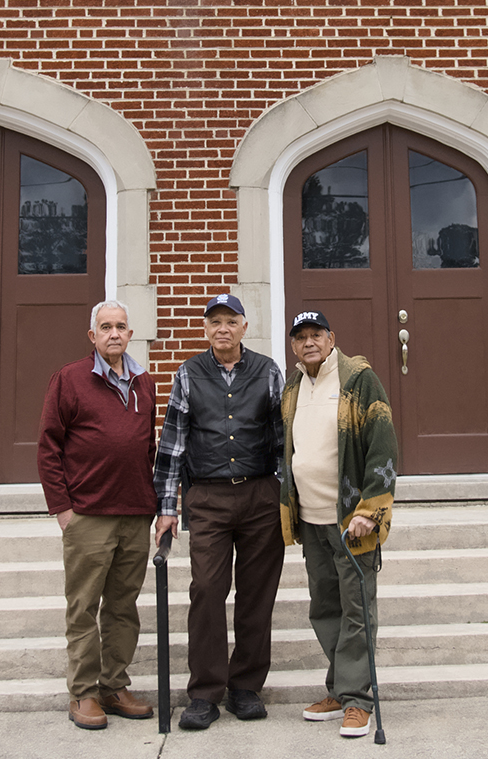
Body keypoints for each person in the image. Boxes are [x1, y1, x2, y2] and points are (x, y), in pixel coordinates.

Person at [153, 293, 286, 731]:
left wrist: (288, 496)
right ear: (206, 329)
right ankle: (205, 692)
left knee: (256, 593)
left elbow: (284, 439)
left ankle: (245, 687)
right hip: (207, 499)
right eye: (215, 322)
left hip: (260, 496)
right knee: (207, 590)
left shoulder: (268, 372)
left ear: (245, 327)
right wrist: (167, 507)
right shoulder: (188, 373)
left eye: (231, 321)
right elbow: (172, 445)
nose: (222, 328)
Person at [37, 300, 158, 731]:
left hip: (135, 513)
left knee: (123, 608)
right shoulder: (69, 380)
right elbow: (49, 448)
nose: (114, 334)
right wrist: (63, 510)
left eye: (121, 327)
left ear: (130, 334)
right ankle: (84, 693)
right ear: (93, 336)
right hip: (88, 515)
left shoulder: (145, 383)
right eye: (105, 327)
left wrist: (156, 505)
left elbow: (148, 449)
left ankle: (114, 685)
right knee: (84, 607)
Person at [279, 310, 397, 739]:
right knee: (324, 606)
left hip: (351, 520)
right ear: (293, 345)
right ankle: (342, 686)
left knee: (357, 609)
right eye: (300, 337)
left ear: (332, 338)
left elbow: (383, 446)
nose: (308, 342)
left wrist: (370, 509)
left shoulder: (358, 380)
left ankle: (358, 700)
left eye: (316, 334)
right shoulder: (293, 386)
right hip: (310, 519)